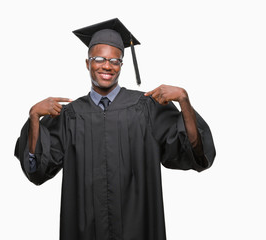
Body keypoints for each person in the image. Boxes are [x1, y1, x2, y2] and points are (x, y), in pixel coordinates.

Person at [14, 18, 216, 240]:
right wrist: (34, 117)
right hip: (85, 230)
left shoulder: (146, 108)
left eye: (115, 60)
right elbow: (37, 170)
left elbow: (194, 151)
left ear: (121, 65)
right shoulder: (70, 115)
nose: (107, 66)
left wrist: (184, 101)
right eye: (99, 59)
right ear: (87, 63)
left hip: (138, 229)